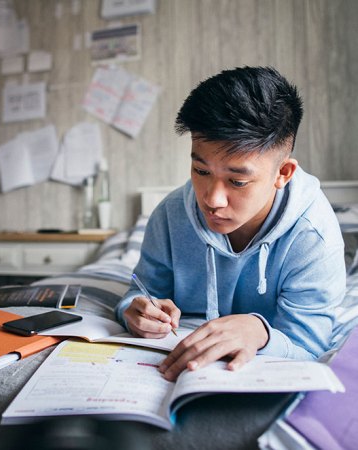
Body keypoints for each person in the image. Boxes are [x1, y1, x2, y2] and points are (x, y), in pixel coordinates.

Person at [115, 66, 346, 381]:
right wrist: (133, 311)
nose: (212, 199)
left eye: (237, 181)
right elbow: (139, 293)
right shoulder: (169, 216)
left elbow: (309, 345)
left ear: (283, 174)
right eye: (201, 171)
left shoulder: (313, 236)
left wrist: (260, 332)